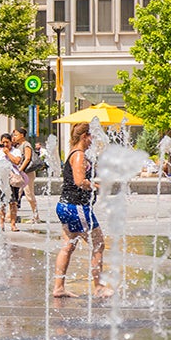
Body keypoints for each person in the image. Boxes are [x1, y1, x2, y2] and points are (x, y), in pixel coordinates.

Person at [53, 122, 112, 299]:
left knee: (68, 246)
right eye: (91, 136)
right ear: (85, 136)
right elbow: (79, 181)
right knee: (98, 243)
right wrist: (96, 186)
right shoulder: (78, 155)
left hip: (66, 205)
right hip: (76, 206)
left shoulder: (74, 152)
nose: (92, 140)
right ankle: (99, 287)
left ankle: (59, 287)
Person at [0, 133, 25, 231]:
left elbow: (17, 161)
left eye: (7, 142)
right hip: (2, 180)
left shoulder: (16, 151)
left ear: (11, 142)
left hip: (13, 180)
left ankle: (13, 224)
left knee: (13, 203)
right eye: (3, 142)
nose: (5, 144)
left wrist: (8, 153)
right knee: (2, 203)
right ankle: (1, 223)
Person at [12, 127, 41, 223]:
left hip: (27, 173)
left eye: (16, 135)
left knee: (29, 194)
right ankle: (11, 216)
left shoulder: (26, 145)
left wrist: (20, 170)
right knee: (16, 194)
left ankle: (36, 216)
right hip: (20, 173)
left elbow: (27, 158)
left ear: (22, 135)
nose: (14, 137)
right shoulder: (18, 146)